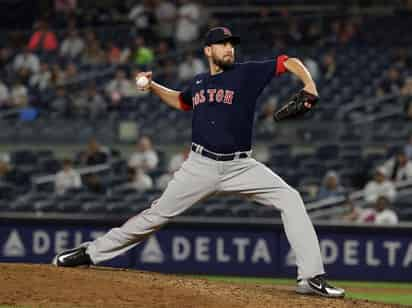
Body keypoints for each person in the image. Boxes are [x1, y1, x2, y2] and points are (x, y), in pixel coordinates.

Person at [53, 27, 344, 298]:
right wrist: (153, 86)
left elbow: (287, 61)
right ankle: (89, 253)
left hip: (241, 166)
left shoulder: (247, 74)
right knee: (155, 217)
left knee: (291, 199)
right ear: (208, 51)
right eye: (223, 44)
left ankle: (310, 277)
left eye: (232, 44)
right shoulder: (200, 82)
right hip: (200, 164)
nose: (229, 49)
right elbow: (181, 101)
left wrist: (309, 84)